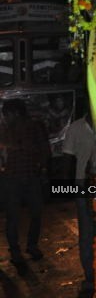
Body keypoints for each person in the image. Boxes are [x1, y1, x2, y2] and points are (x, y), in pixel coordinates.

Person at [0, 98, 51, 270]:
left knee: (16, 216)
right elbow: (44, 150)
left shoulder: (31, 127)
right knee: (29, 214)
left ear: (15, 113)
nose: (5, 117)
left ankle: (21, 249)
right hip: (23, 177)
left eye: (6, 114)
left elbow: (42, 149)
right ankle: (28, 247)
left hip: (19, 178)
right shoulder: (11, 128)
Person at [61, 99, 96, 298]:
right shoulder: (76, 128)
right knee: (86, 233)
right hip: (83, 187)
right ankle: (90, 277)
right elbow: (67, 158)